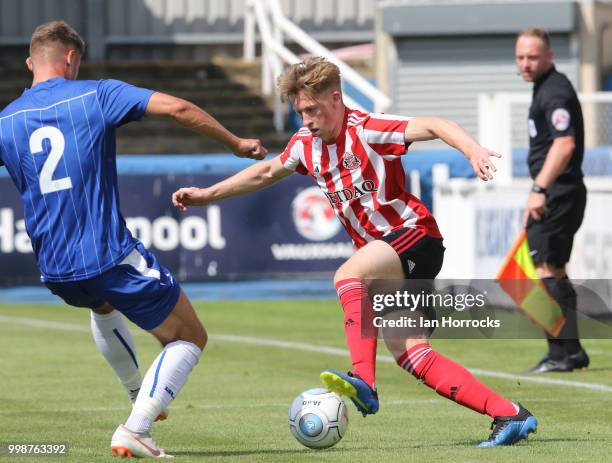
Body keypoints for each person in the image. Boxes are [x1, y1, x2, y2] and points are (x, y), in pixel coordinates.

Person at [172, 57, 538, 447]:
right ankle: (510, 415)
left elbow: (434, 124)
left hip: (414, 235)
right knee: (410, 352)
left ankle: (363, 379)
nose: (307, 120)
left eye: (312, 110)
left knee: (348, 276)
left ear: (335, 98)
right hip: (385, 255)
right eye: (300, 112)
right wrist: (207, 195)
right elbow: (264, 172)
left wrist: (472, 149)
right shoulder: (305, 145)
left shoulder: (368, 129)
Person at [0, 21, 267, 458]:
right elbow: (179, 109)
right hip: (107, 254)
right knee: (188, 337)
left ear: (31, 63)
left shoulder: (6, 119)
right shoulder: (96, 93)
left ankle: (136, 391)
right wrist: (235, 143)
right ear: (71, 59)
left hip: (54, 268)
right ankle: (137, 427)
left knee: (101, 305)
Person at [515, 27, 589, 374]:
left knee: (542, 270)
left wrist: (540, 189)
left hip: (557, 193)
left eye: (532, 57)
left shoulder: (554, 91)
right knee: (553, 270)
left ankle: (561, 353)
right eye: (520, 57)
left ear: (548, 56)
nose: (526, 64)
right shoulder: (545, 88)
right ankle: (570, 351)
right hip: (561, 191)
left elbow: (564, 144)